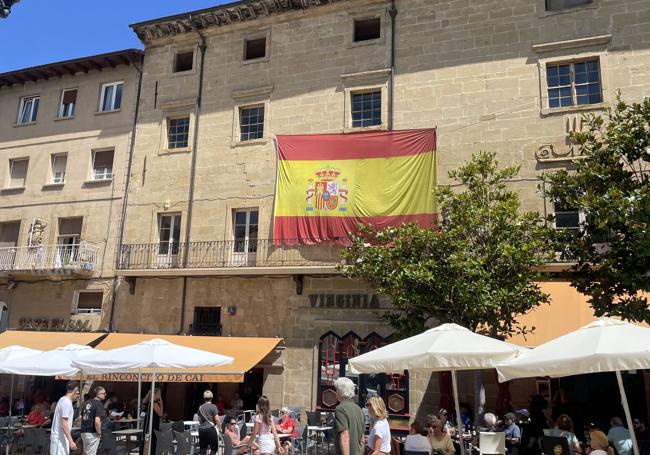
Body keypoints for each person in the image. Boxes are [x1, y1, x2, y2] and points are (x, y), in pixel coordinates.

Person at [333, 377, 365, 455]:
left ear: (340, 391)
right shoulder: (358, 409)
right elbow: (362, 439)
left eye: (336, 390)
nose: (335, 392)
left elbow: (344, 435)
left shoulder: (340, 409)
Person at [50, 382, 79, 455]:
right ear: (75, 390)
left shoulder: (62, 399)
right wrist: (71, 441)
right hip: (60, 438)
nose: (78, 394)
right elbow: (64, 423)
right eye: (78, 391)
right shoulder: (66, 402)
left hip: (59, 437)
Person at [80, 386, 106, 455]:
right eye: (104, 393)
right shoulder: (98, 404)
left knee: (86, 452)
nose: (105, 395)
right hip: (92, 433)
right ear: (99, 394)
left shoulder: (86, 403)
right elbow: (97, 421)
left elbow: (81, 417)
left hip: (84, 432)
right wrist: (99, 433)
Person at [197, 390, 222, 455]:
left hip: (202, 430)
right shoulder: (213, 406)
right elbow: (217, 420)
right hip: (210, 429)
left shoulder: (200, 407)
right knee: (214, 448)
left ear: (204, 398)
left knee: (203, 448)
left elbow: (199, 420)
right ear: (212, 398)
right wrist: (219, 428)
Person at [139, 388, 163, 455]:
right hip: (153, 424)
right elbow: (161, 414)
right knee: (152, 441)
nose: (160, 395)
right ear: (156, 394)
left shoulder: (148, 402)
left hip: (148, 424)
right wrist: (161, 403)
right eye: (159, 393)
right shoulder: (154, 404)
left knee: (147, 441)